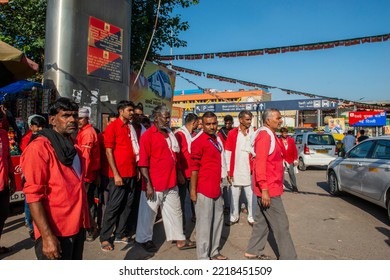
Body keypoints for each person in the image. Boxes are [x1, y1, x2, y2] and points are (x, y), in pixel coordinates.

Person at [20, 97, 90, 260]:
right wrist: (47, 237)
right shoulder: (39, 148)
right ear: (52, 120)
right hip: (55, 230)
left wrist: (88, 219)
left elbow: (78, 188)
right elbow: (33, 196)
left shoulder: (74, 148)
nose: (72, 119)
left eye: (75, 115)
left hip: (77, 226)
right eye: (65, 115)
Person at [136, 105, 196, 253]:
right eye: (165, 117)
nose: (168, 120)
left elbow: (174, 157)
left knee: (175, 211)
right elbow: (143, 163)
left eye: (169, 117)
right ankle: (144, 239)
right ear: (156, 117)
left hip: (171, 182)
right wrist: (148, 185)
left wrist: (179, 174)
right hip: (154, 184)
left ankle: (180, 239)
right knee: (148, 214)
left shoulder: (170, 134)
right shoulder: (147, 136)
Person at [245, 108, 297, 260]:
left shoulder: (271, 135)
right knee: (282, 224)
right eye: (278, 118)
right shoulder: (264, 136)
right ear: (268, 121)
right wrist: (265, 189)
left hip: (271, 187)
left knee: (262, 222)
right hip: (268, 189)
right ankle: (289, 258)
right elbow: (260, 164)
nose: (281, 120)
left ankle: (253, 250)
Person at [99, 100, 138, 252]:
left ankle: (120, 234)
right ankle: (105, 237)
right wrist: (116, 174)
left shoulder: (130, 128)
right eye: (129, 110)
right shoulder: (112, 128)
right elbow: (109, 152)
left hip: (131, 173)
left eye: (132, 110)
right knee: (113, 207)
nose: (132, 112)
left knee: (127, 205)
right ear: (121, 111)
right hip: (118, 175)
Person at [190, 111, 228, 260]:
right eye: (208, 124)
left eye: (214, 123)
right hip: (204, 189)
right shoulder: (198, 141)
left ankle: (214, 251)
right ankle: (203, 257)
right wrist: (193, 190)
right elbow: (194, 169)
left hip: (216, 188)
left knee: (218, 221)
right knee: (204, 225)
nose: (212, 126)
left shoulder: (216, 139)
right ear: (202, 124)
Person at [225, 110, 255, 226]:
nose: (249, 122)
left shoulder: (253, 133)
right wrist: (228, 170)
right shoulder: (232, 133)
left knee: (250, 196)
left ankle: (251, 217)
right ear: (241, 120)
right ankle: (234, 217)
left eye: (250, 119)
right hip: (235, 170)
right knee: (234, 196)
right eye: (247, 119)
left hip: (249, 170)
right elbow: (228, 152)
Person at [20, 114, 47, 239]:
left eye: (42, 126)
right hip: (30, 176)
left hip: (39, 176)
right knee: (30, 202)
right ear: (31, 127)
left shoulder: (45, 138)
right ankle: (30, 225)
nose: (40, 129)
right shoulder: (28, 139)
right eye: (38, 126)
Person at [76, 107, 100, 241]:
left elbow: (86, 158)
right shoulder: (83, 131)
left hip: (86, 175)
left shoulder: (87, 133)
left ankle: (90, 228)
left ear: (87, 118)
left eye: (81, 118)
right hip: (86, 174)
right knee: (87, 202)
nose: (78, 121)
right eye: (77, 118)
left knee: (86, 203)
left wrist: (80, 176)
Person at [175, 113, 198, 230]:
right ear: (193, 123)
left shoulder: (192, 134)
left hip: (192, 173)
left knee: (195, 197)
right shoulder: (179, 135)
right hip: (183, 174)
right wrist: (179, 173)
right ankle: (180, 226)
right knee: (181, 201)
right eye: (197, 123)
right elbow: (176, 156)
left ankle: (195, 216)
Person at [98, 113, 118, 227]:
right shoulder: (101, 137)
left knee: (115, 202)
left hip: (117, 175)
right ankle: (103, 226)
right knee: (105, 202)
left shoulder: (121, 136)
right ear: (107, 122)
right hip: (105, 174)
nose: (112, 125)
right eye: (111, 122)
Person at [0, 127, 16, 255]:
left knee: (3, 215)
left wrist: (12, 179)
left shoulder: (4, 134)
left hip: (3, 184)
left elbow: (8, 157)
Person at [218, 115, 234, 215]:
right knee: (224, 185)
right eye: (226, 123)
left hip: (233, 159)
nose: (227, 125)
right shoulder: (220, 133)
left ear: (232, 122)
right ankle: (227, 206)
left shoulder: (235, 132)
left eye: (229, 123)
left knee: (233, 185)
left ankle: (233, 205)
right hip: (223, 159)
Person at [279, 127, 299, 193]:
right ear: (281, 133)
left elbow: (294, 150)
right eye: (284, 133)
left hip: (290, 160)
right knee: (281, 174)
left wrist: (295, 159)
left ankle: (294, 187)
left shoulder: (291, 140)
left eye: (286, 133)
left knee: (291, 173)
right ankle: (281, 187)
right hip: (282, 160)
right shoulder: (278, 141)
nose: (285, 134)